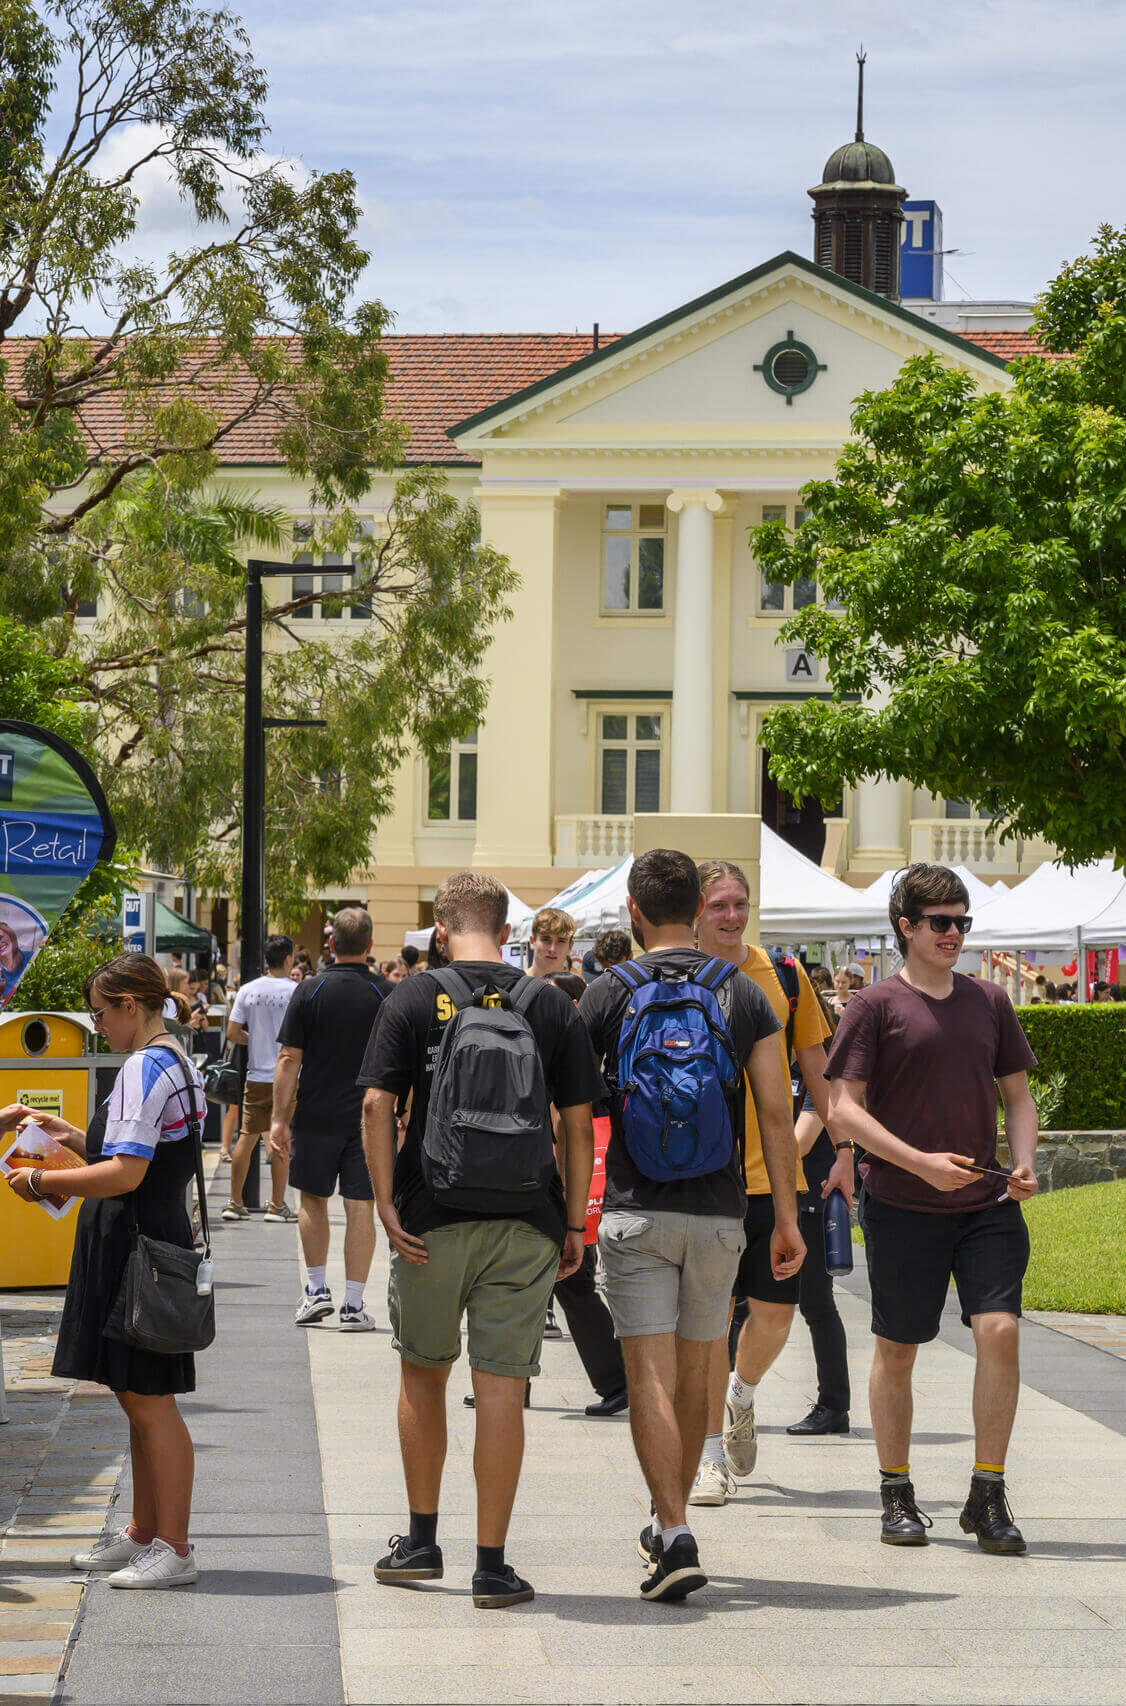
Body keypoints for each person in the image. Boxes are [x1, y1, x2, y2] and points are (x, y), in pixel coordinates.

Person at [359, 871, 599, 1610]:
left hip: (431, 1217)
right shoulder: (549, 1004)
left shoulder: (411, 995)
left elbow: (375, 1104)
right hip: (527, 1221)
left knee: (423, 1375)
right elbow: (578, 1124)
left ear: (441, 928)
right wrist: (570, 1224)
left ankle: (422, 1541)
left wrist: (383, 1205)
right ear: (507, 929)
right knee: (502, 1388)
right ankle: (492, 1566)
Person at [578, 849, 801, 1602]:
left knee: (647, 1372)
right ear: (699, 907)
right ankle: (670, 1516)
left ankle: (672, 1530)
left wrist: (574, 1205)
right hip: (719, 1211)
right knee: (702, 1361)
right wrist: (787, 1218)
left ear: (635, 912)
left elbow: (574, 1113)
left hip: (637, 1207)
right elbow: (776, 1109)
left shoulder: (607, 992)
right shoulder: (741, 993)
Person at [826, 861, 1039, 1553]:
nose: (954, 934)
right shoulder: (874, 1007)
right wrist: (917, 1162)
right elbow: (842, 1111)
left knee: (1000, 1331)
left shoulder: (989, 1002)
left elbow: (1017, 1096)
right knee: (898, 1348)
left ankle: (987, 1491)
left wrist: (1026, 1159)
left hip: (986, 1204)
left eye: (962, 922)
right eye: (941, 923)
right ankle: (896, 1492)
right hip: (902, 1204)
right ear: (906, 927)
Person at [3, 955, 207, 1587]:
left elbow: (128, 1172)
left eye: (98, 1013)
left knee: (149, 1401)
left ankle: (172, 1544)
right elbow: (129, 1151)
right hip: (142, 1237)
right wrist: (73, 1135)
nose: (96, 1025)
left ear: (128, 1005)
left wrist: (41, 1178)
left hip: (136, 1243)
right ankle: (146, 1533)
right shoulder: (170, 1057)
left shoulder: (147, 1064)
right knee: (137, 1396)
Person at [688, 861, 852, 1510]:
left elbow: (821, 1079)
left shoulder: (783, 977)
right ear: (696, 909)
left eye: (740, 903)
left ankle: (741, 1395)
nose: (732, 915)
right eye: (719, 904)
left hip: (777, 1184)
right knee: (709, 1322)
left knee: (777, 1316)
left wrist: (826, 1146)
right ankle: (707, 1461)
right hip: (705, 1182)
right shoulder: (681, 975)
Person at [268, 908, 387, 1332]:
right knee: (361, 1208)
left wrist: (279, 1119)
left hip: (316, 1113)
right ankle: (354, 1304)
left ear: (331, 945)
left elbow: (288, 1058)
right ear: (370, 947)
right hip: (369, 1118)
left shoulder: (310, 991)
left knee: (313, 1201)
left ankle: (316, 1291)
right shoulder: (386, 993)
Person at [543, 969, 628, 1416]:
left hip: (577, 1183)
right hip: (570, 1181)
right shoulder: (568, 1050)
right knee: (560, 1282)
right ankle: (616, 1380)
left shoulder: (574, 1055)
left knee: (568, 1280)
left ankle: (617, 1380)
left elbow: (568, 1128)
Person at [787, 989, 852, 1440]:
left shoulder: (819, 1076)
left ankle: (834, 1406)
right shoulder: (781, 1070)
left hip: (807, 1198)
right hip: (786, 1197)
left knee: (815, 1303)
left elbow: (800, 1142)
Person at [222, 934, 298, 1225]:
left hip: (255, 1074)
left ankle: (234, 1201)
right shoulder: (296, 991)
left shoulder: (248, 990)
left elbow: (232, 1033)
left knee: (246, 1137)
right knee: (280, 1139)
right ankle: (277, 1204)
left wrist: (254, 1041)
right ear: (288, 958)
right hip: (287, 1075)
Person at [527, 908, 575, 979]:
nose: (552, 949)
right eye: (546, 940)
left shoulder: (577, 989)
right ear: (532, 942)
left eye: (561, 941)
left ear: (570, 946)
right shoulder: (513, 985)